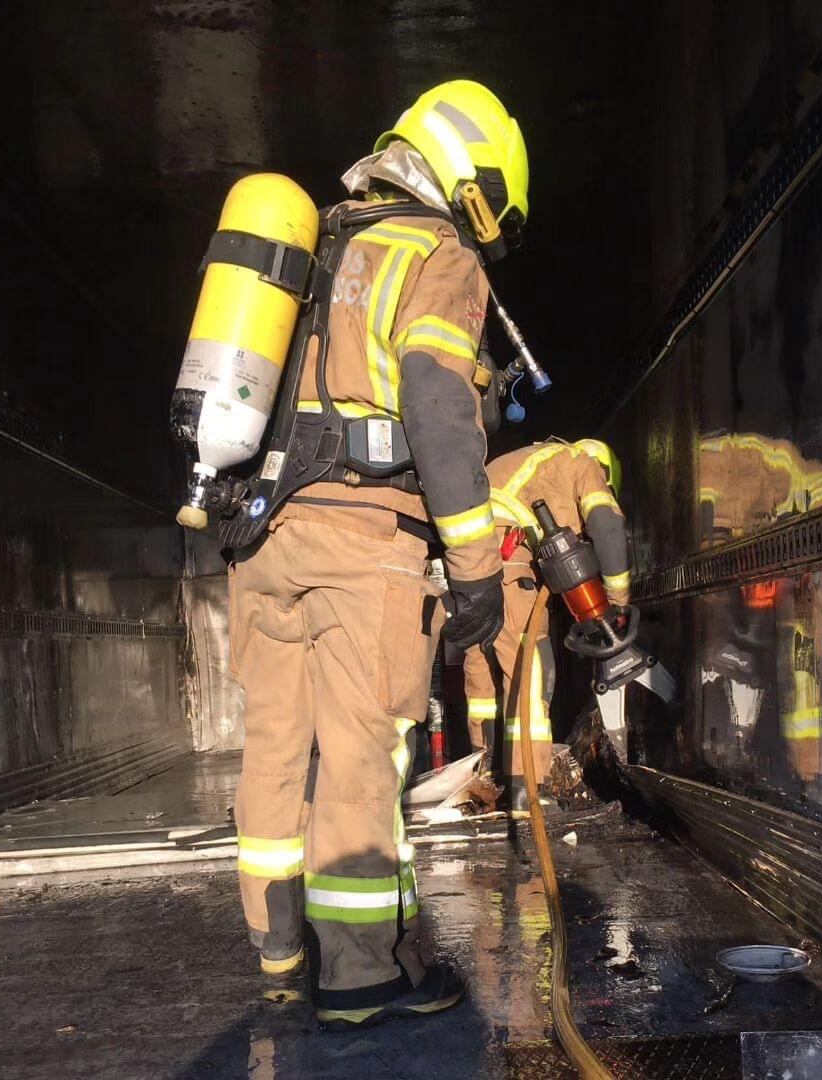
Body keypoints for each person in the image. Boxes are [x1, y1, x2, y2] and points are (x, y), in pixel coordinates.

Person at [228, 79, 529, 1030]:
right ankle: (359, 978)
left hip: (264, 539)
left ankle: (280, 952)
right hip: (364, 546)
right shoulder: (436, 251)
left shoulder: (313, 246)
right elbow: (439, 401)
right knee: (363, 755)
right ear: (471, 178)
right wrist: (477, 568)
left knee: (276, 746)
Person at [463, 439, 630, 811]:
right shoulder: (581, 463)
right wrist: (617, 600)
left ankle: (488, 773)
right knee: (534, 672)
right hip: (507, 567)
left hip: (468, 570)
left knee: (484, 675)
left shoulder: (531, 464)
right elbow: (606, 528)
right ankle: (529, 790)